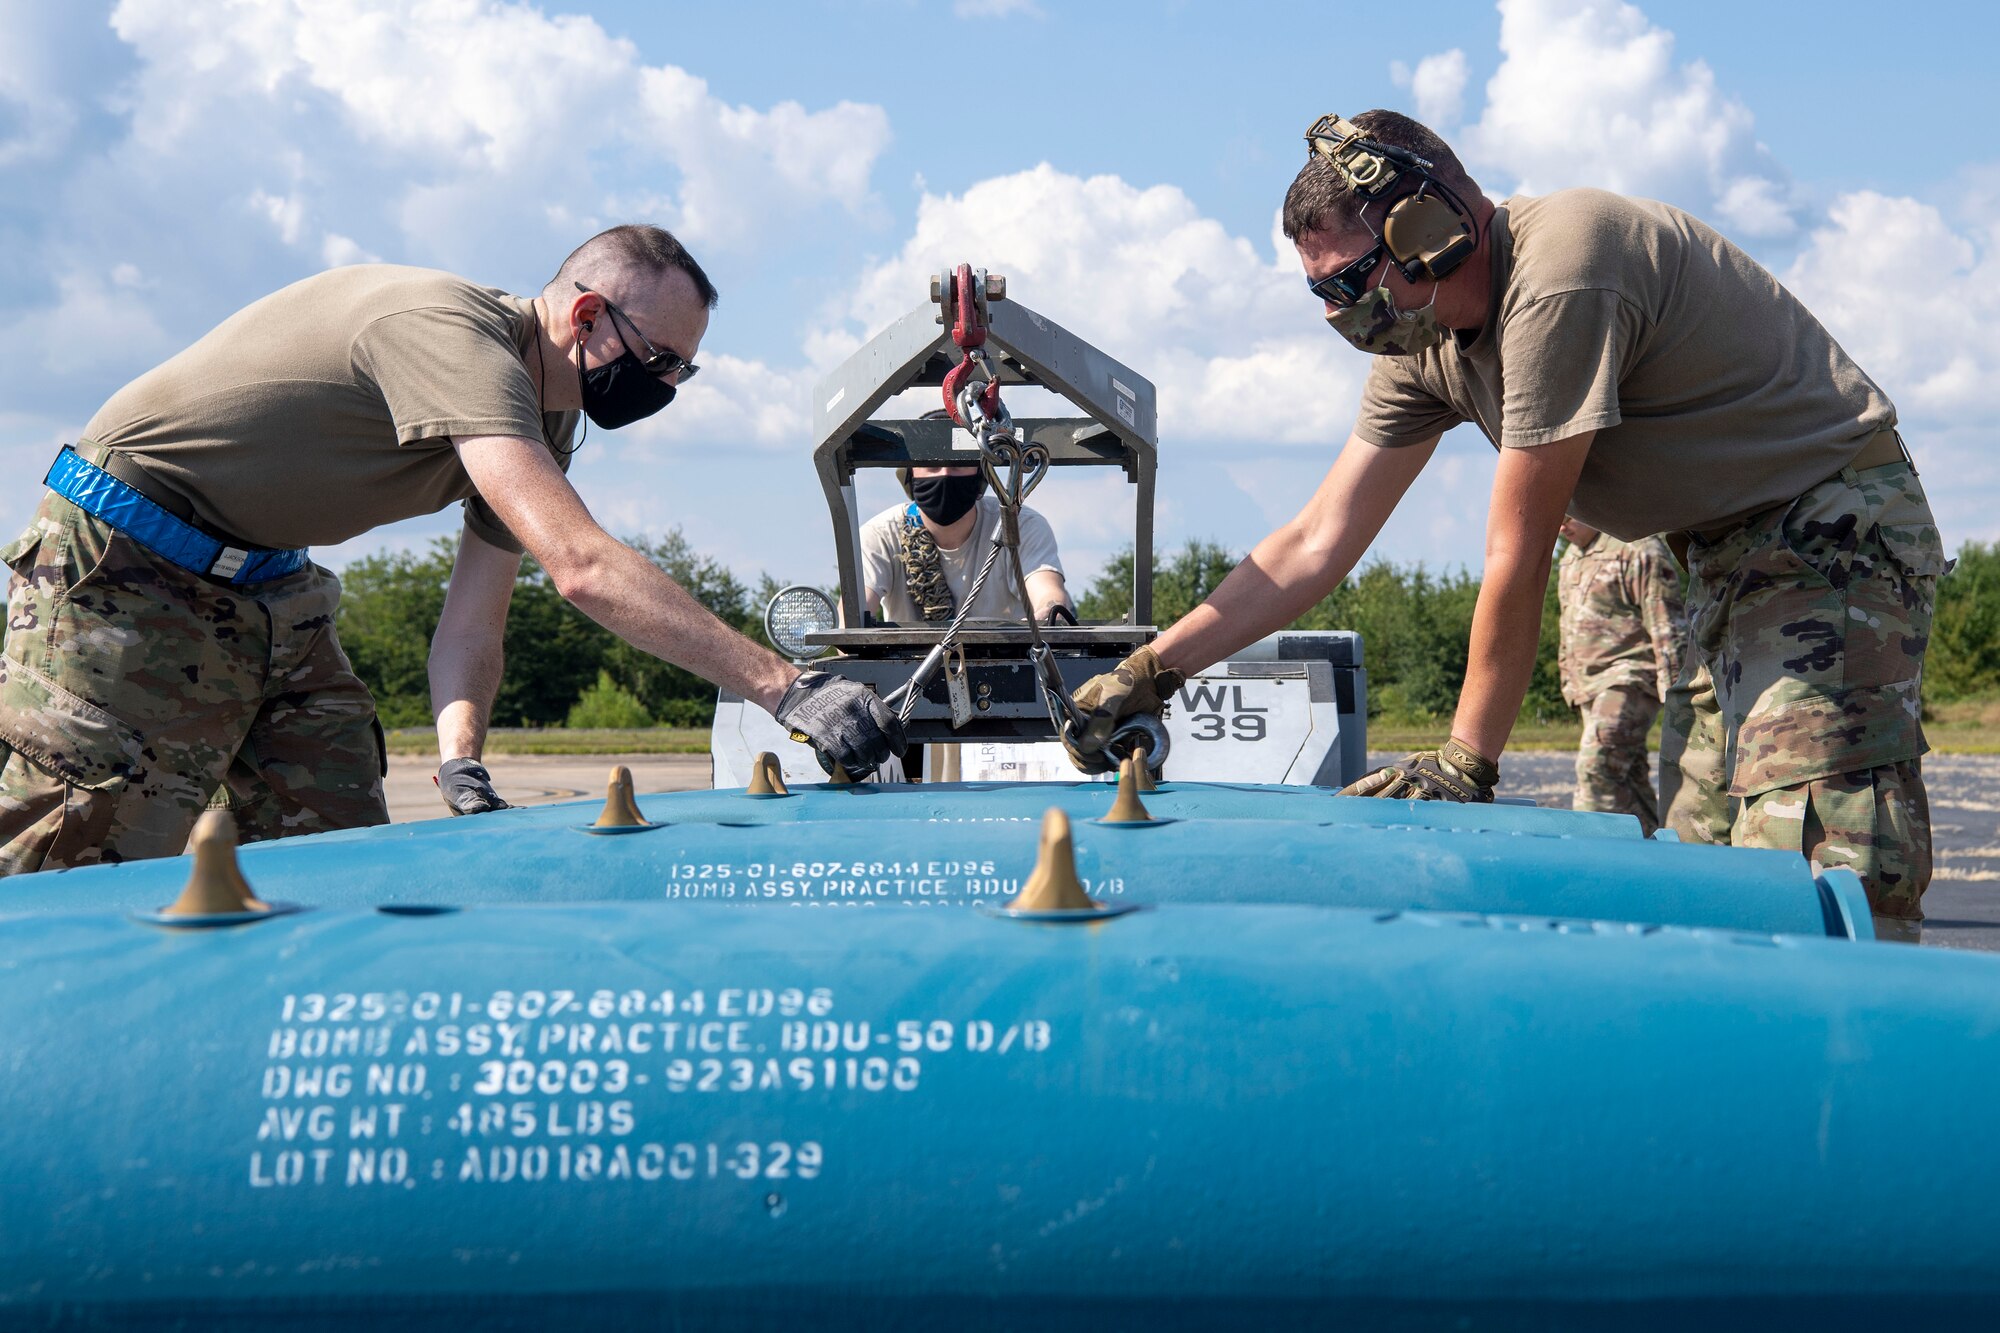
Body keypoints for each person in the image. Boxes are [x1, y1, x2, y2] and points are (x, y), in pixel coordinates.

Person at [1065, 110, 1942, 943]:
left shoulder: (1563, 270)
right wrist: (1151, 670)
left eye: (1348, 280)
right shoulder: (1426, 345)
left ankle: (1877, 1068)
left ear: (1425, 226)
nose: (1338, 312)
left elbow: (1515, 553)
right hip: (1714, 556)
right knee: (1716, 860)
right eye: (1321, 291)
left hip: (1827, 529)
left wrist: (1464, 762)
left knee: (1819, 847)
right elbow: (1316, 540)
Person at [0, 224, 900, 876]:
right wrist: (787, 686)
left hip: (273, 585)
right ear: (585, 317)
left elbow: (475, 618)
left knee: (340, 862)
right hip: (129, 561)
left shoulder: (548, 413)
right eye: (660, 359)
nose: (665, 386)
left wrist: (460, 753)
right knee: (76, 871)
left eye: (682, 372)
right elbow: (581, 565)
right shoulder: (456, 340)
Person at [858, 413, 1073, 626]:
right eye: (931, 466)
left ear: (980, 476)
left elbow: (1047, 594)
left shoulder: (1017, 525)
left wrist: (1047, 614)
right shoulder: (880, 535)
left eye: (957, 465)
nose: (944, 474)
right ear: (910, 477)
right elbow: (854, 614)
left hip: (1009, 658)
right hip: (915, 661)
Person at [1555, 518, 1683, 834]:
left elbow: (1667, 625)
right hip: (1589, 687)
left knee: (1596, 769)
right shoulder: (1571, 559)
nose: (1561, 527)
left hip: (1631, 679)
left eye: (1568, 516)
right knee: (1629, 781)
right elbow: (1567, 627)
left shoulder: (1637, 548)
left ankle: (1591, 857)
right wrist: (1570, 683)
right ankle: (1656, 855)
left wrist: (1679, 695)